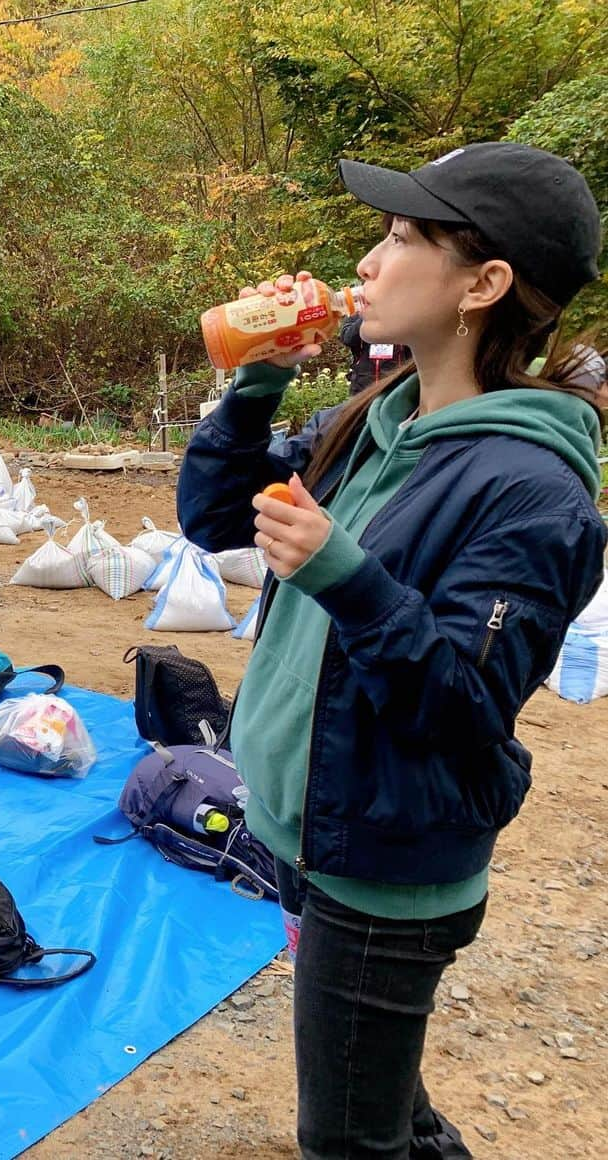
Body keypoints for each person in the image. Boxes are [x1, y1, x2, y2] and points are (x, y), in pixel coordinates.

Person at [178, 142, 605, 1159]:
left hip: (385, 870)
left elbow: (461, 702)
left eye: (405, 236)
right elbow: (208, 518)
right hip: (315, 831)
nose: (368, 261)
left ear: (484, 285)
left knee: (346, 1138)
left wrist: (345, 573)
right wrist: (253, 386)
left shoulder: (534, 490)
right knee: (386, 1094)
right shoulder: (379, 416)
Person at [338, 312, 411, 394]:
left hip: (395, 387)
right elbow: (347, 338)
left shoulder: (402, 316)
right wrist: (368, 315)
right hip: (362, 387)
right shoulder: (357, 316)